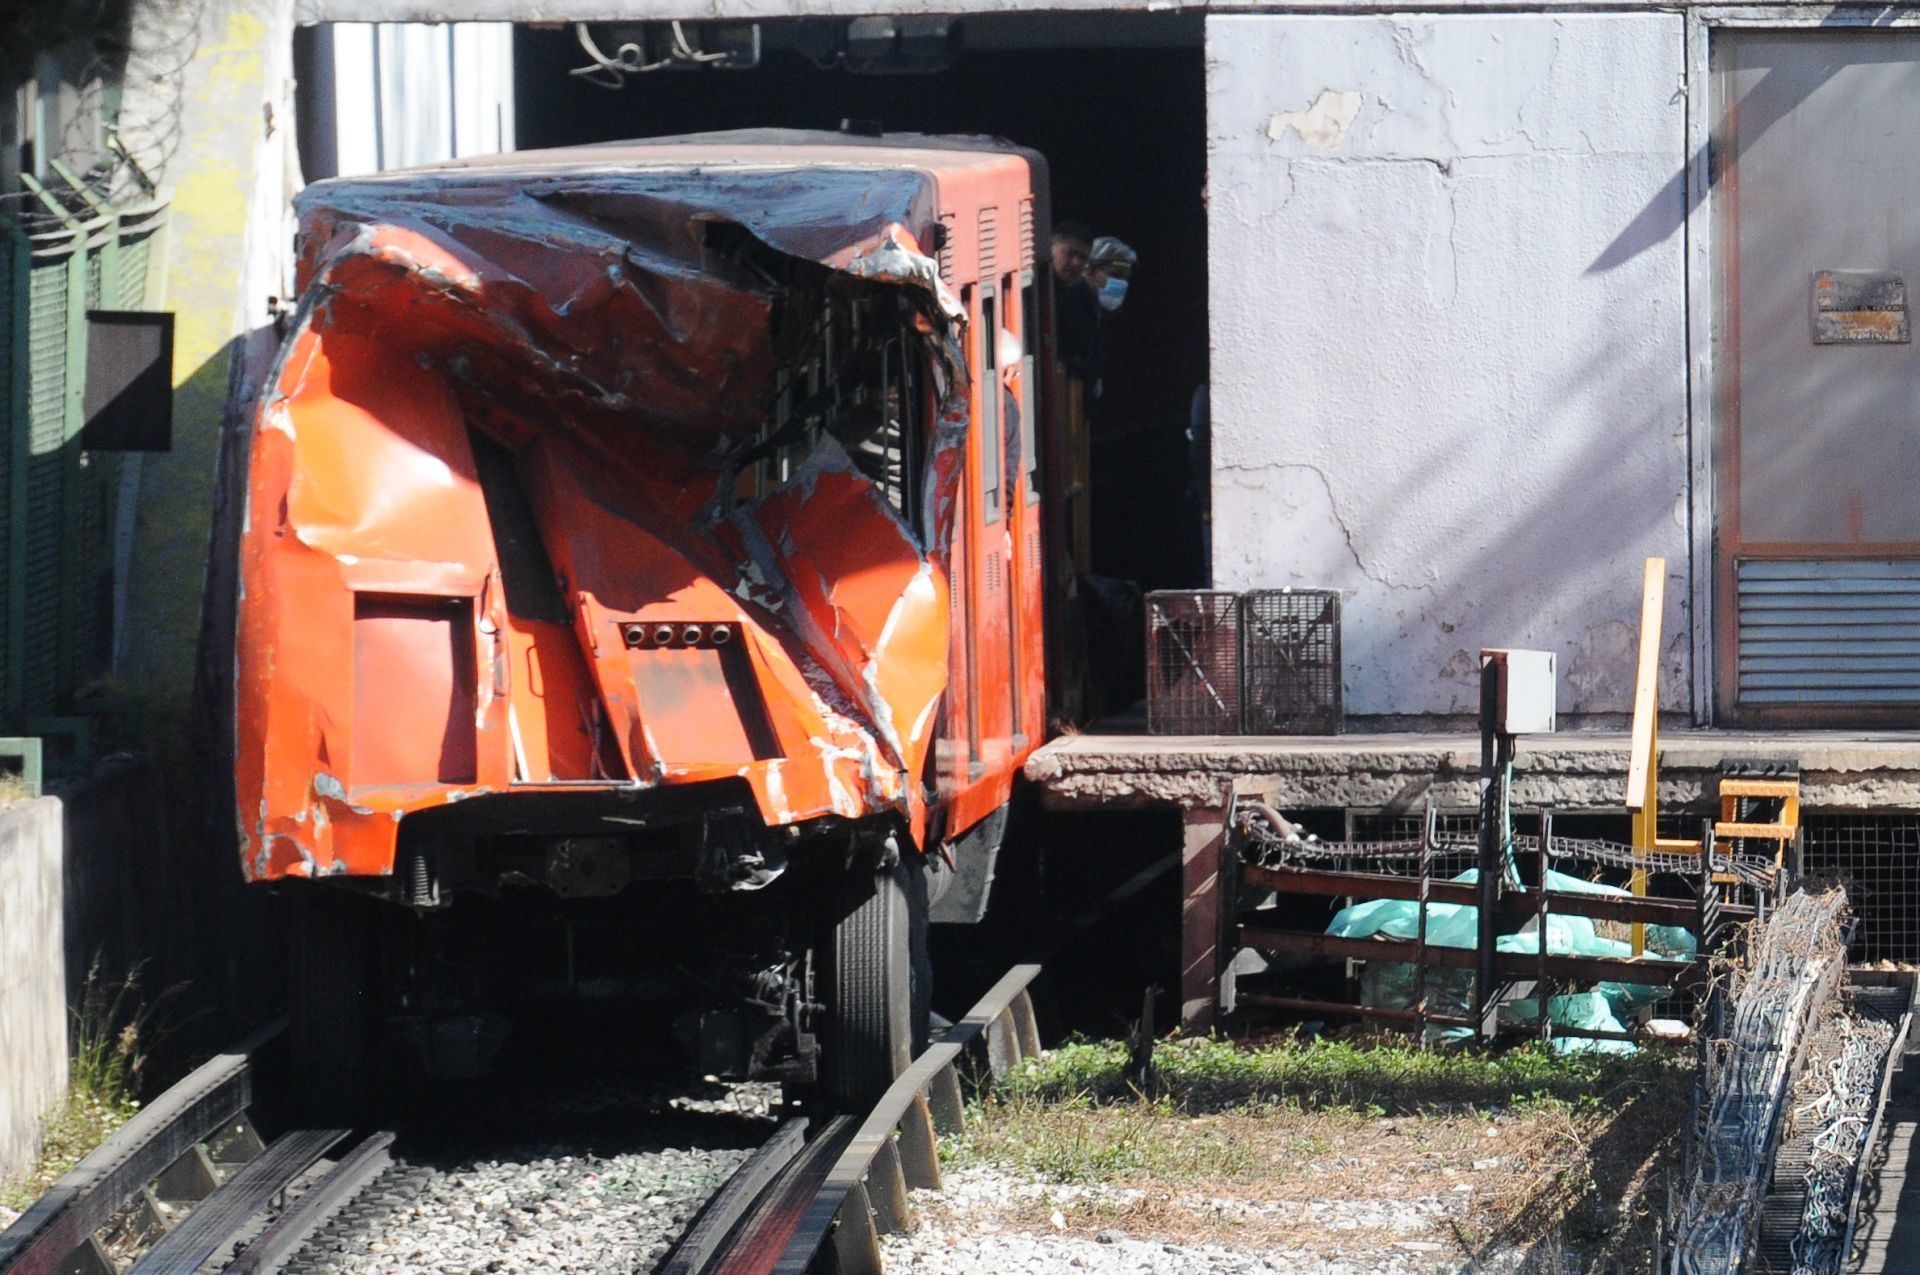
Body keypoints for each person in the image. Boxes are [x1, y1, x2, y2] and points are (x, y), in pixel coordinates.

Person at [1050, 220, 1100, 382]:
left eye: (1082, 258)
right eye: (1070, 253)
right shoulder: (1039, 286)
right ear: (1051, 247)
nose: (1076, 263)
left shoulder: (1081, 295)